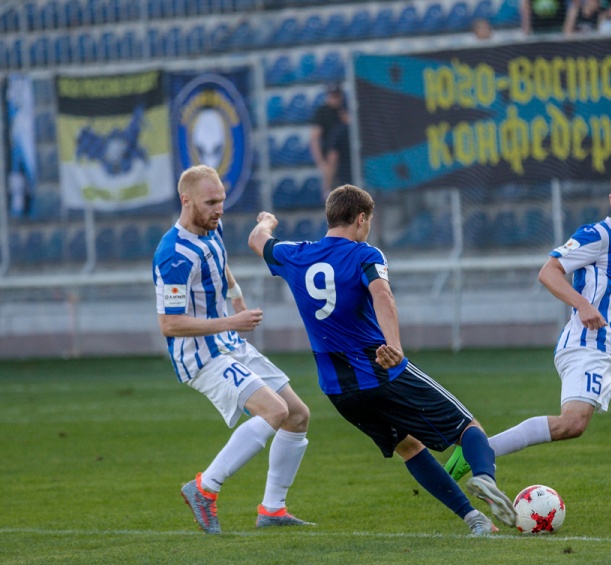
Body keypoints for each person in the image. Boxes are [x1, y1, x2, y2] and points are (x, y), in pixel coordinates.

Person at [247, 185, 517, 535]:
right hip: (381, 371)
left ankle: (475, 520)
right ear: (361, 219)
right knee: (468, 429)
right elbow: (383, 295)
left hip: (338, 389)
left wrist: (267, 220)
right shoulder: (364, 254)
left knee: (410, 447)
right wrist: (395, 346)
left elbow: (257, 238)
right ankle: (484, 478)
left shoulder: (295, 255)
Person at [443, 167, 611, 511]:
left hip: (609, 353)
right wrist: (582, 304)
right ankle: (477, 450)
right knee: (572, 424)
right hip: (584, 348)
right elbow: (549, 271)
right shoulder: (597, 235)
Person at [153, 165, 313, 534]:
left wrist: (236, 298)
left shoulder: (211, 226)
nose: (219, 209)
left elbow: (220, 263)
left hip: (227, 342)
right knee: (275, 410)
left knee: (297, 415)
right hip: (199, 356)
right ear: (186, 200)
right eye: (211, 202)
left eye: (221, 201)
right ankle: (204, 488)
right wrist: (231, 321)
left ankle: (272, 510)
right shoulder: (173, 255)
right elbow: (170, 325)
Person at [310, 82, 347, 200]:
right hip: (330, 157)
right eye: (332, 96)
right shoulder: (322, 112)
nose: (335, 99)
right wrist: (321, 163)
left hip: (347, 156)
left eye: (337, 96)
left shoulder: (345, 109)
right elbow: (314, 139)